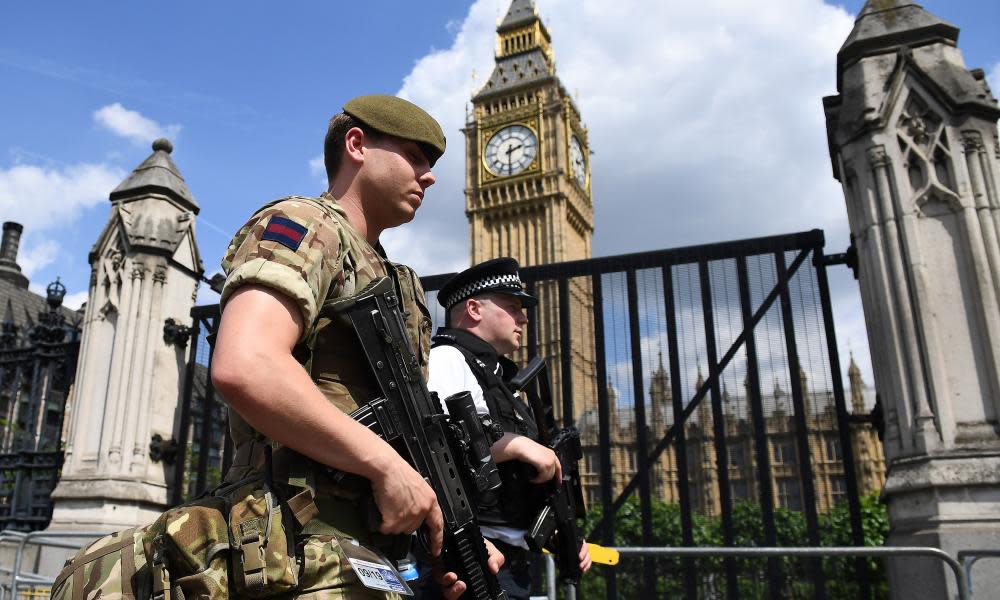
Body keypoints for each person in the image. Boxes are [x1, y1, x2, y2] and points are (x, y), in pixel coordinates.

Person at [212, 94, 500, 599]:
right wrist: (385, 465)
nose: (429, 176)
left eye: (431, 164)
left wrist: (453, 531)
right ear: (357, 145)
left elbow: (413, 435)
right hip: (290, 540)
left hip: (362, 549)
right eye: (415, 156)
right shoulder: (305, 223)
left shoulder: (398, 281)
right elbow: (246, 364)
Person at [422, 257, 592, 599]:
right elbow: (434, 443)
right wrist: (516, 445)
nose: (523, 318)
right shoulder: (448, 359)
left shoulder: (498, 377)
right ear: (473, 309)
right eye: (512, 307)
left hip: (510, 562)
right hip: (472, 556)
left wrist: (559, 531)